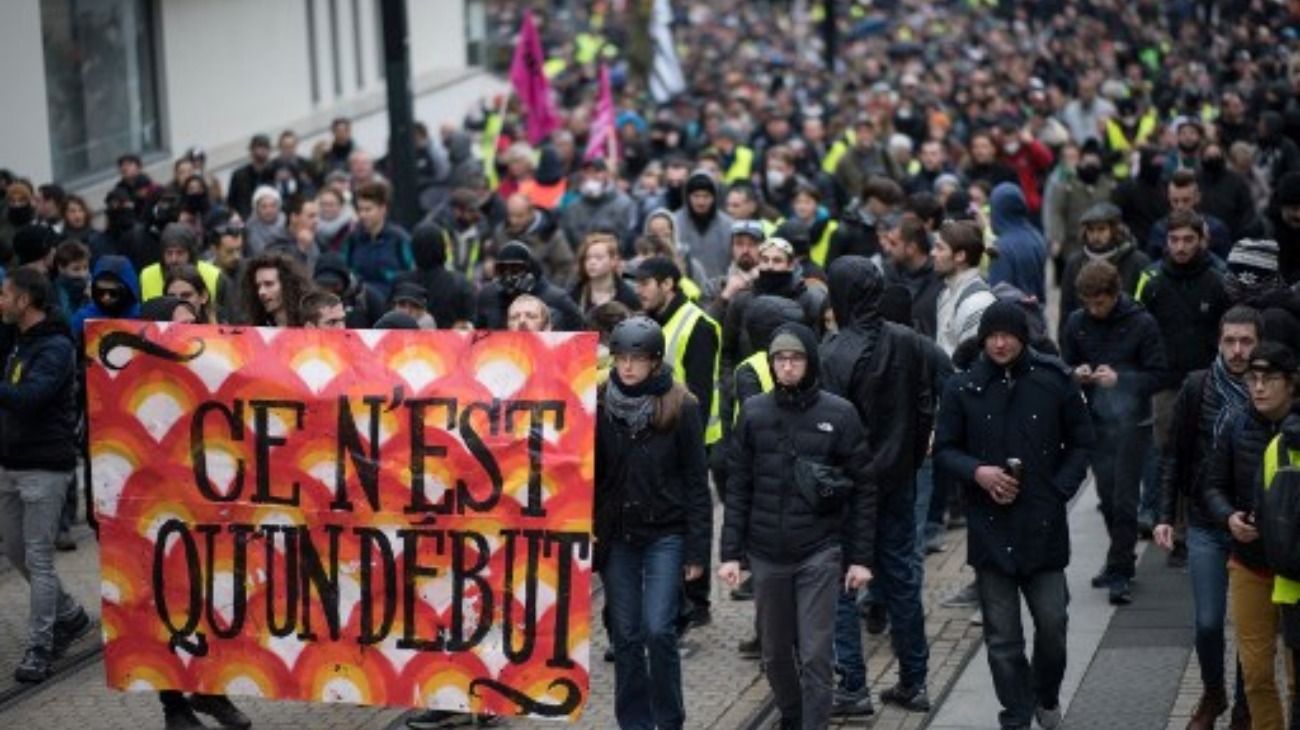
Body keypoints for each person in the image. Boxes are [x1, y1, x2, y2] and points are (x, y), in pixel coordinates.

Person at [934, 302, 1095, 730]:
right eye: (992, 336)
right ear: (982, 338)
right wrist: (978, 473)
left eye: (1008, 335)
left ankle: (1044, 694)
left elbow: (1082, 441)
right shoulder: (963, 387)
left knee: (1053, 625)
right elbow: (945, 450)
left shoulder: (1053, 378)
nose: (1000, 343)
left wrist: (1058, 490)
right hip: (990, 530)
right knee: (1003, 639)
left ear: (1023, 336)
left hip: (1043, 527)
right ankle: (1016, 716)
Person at [720, 320, 874, 730]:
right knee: (773, 653)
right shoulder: (754, 413)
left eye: (796, 358)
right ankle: (791, 715)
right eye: (780, 359)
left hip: (819, 551)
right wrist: (730, 553)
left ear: (811, 361)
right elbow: (739, 486)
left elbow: (864, 489)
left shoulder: (839, 414)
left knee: (816, 653)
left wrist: (860, 559)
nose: (787, 366)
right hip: (767, 552)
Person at [820, 256, 934, 715]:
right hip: (898, 482)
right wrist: (905, 461)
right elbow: (925, 407)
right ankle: (915, 680)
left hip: (850, 489)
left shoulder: (832, 353)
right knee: (901, 578)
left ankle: (852, 686)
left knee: (845, 584)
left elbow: (829, 430)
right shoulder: (909, 341)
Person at [595, 317, 711, 730]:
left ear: (655, 362)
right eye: (622, 358)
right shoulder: (599, 402)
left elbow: (698, 483)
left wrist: (698, 552)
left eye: (638, 359)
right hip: (619, 535)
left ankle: (669, 719)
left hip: (666, 533)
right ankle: (634, 723)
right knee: (625, 636)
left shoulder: (682, 406)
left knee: (659, 629)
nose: (628, 367)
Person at [1154, 306, 1263, 730]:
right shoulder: (1198, 386)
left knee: (1252, 630)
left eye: (1246, 341)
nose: (1237, 351)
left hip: (1254, 527)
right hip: (1204, 521)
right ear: (1218, 342)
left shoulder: (1271, 389)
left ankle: (1245, 707)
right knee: (1208, 621)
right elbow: (1173, 456)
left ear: (1258, 343)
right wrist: (1165, 513)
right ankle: (1214, 691)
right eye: (1230, 341)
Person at [0, 269, 93, 683]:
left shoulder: (55, 347)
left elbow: (29, 399)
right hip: (11, 464)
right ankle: (71, 615)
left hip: (44, 467)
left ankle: (39, 647)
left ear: (25, 301)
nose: (0, 300)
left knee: (37, 558)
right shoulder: (20, 343)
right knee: (17, 552)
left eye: (5, 293)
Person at [1201, 341, 1298, 730]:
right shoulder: (1235, 423)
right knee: (1256, 673)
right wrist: (1229, 518)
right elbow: (1211, 486)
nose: (1258, 387)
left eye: (1268, 379)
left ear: (1291, 384)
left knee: (1295, 677)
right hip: (1249, 563)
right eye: (1253, 379)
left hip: (1294, 571)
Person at [1060, 260, 1166, 604]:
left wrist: (1120, 380)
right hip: (1094, 423)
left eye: (1100, 303)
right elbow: (1064, 365)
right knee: (1107, 498)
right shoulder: (1077, 323)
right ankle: (1120, 558)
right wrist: (1076, 373)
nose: (1095, 310)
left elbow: (1158, 374)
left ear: (1115, 294)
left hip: (1132, 424)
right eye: (1089, 303)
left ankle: (1120, 569)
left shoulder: (1142, 323)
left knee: (1125, 500)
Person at [1058, 203, 1150, 333]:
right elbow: (1066, 310)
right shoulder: (1075, 263)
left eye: (1101, 229)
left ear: (1114, 230)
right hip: (1086, 338)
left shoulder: (1137, 261)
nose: (1095, 236)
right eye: (1091, 230)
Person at [474, 241, 583, 332]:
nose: (509, 276)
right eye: (503, 269)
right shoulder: (488, 296)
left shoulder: (557, 299)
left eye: (516, 269)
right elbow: (477, 337)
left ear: (531, 270)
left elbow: (583, 335)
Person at [341, 182, 413, 302]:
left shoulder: (399, 239)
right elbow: (345, 270)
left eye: (368, 209)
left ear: (382, 209)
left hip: (391, 304)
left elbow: (411, 272)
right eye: (360, 209)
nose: (362, 215)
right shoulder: (352, 239)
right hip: (360, 304)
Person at [933, 220, 997, 356]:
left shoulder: (977, 303)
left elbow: (974, 363)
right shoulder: (946, 294)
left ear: (960, 256)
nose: (933, 253)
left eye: (940, 248)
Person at [494, 193, 576, 286]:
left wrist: (550, 291)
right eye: (511, 215)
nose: (514, 221)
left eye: (519, 216)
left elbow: (566, 266)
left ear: (531, 213)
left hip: (542, 292)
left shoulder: (550, 234)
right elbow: (494, 255)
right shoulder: (501, 231)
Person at [987, 182, 1047, 303]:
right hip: (1036, 312)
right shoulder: (1036, 236)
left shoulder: (1000, 247)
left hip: (1011, 316)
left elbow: (997, 292)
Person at [139, 223, 225, 304]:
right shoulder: (147, 276)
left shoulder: (214, 276)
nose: (174, 259)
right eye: (169, 253)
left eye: (180, 253)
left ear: (191, 254)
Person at [672, 169, 734, 279]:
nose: (701, 202)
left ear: (714, 198)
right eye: (696, 196)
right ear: (688, 197)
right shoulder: (674, 222)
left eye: (706, 196)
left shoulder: (728, 225)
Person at [569, 229, 640, 314]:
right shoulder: (574, 295)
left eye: (599, 258)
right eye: (588, 258)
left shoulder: (628, 297)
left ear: (613, 261)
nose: (592, 262)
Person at [313, 252, 384, 330]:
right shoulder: (310, 301)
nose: (329, 290)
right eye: (324, 286)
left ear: (345, 282)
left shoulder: (367, 298)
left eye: (334, 285)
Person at [240, 251, 311, 327]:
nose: (261, 292)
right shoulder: (255, 329)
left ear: (287, 284)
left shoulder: (309, 324)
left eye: (269, 284)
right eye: (258, 286)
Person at [226, 134, 275, 219]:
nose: (262, 151)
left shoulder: (274, 173)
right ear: (251, 150)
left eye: (266, 147)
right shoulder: (239, 175)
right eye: (259, 147)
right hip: (246, 219)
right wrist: (235, 215)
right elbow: (231, 202)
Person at [245, 185, 290, 256]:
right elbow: (259, 252)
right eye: (264, 206)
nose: (269, 210)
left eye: (273, 206)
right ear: (256, 209)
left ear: (279, 207)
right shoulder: (251, 226)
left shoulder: (287, 220)